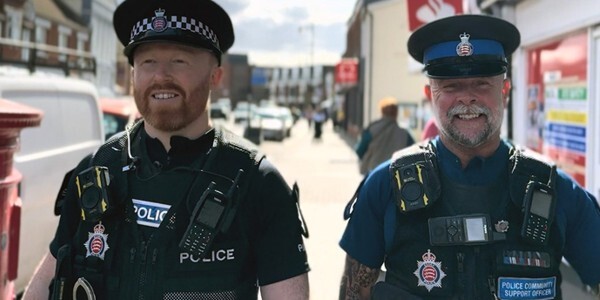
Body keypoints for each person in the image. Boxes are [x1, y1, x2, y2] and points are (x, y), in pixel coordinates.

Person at [22, 0, 310, 299]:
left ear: (216, 77)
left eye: (178, 61)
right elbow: (47, 280)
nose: (160, 76)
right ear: (133, 73)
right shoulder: (96, 169)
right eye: (147, 62)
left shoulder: (257, 183)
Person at [339, 14, 600, 300]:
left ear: (505, 91)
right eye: (451, 86)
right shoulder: (385, 186)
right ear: (430, 95)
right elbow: (354, 293)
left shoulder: (556, 190)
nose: (467, 98)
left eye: (481, 84)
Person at [354, 96, 415, 175]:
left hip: (373, 173)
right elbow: (413, 153)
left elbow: (359, 151)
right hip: (396, 176)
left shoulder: (371, 130)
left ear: (382, 112)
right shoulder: (405, 134)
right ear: (396, 113)